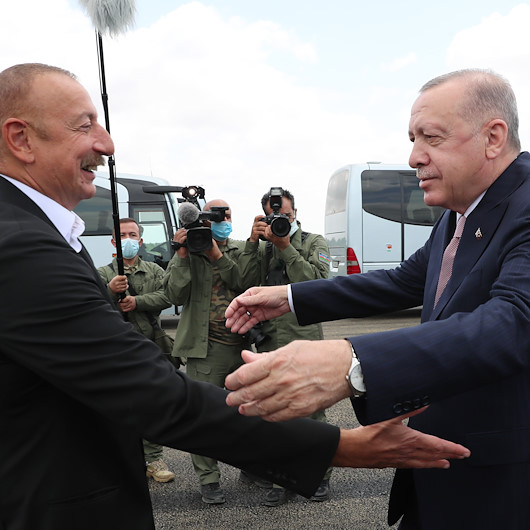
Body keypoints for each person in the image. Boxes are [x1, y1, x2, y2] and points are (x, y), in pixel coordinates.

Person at [0, 63, 470, 530]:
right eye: (86, 125)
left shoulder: (40, 231)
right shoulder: (20, 244)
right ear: (20, 139)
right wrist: (340, 445)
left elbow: (395, 283)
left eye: (431, 138)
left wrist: (289, 293)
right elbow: (156, 391)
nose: (106, 143)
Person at [224, 68, 530, 529]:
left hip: (501, 485)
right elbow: (406, 280)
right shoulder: (461, 211)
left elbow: (514, 322)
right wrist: (290, 296)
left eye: (431, 137)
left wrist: (351, 364)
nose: (413, 157)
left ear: (493, 137)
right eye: (412, 138)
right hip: (438, 466)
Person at [237, 188, 333, 506]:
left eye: (286, 216)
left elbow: (316, 285)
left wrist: (287, 247)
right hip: (269, 341)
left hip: (303, 336)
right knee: (275, 411)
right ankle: (282, 478)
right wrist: (253, 243)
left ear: (295, 214)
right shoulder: (262, 246)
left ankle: (318, 476)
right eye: (273, 217)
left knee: (313, 411)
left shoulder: (314, 242)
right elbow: (243, 282)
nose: (280, 221)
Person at [164, 199, 251, 503]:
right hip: (203, 348)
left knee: (247, 414)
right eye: (214, 215)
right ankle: (208, 479)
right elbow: (173, 294)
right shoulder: (190, 251)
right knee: (202, 416)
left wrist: (216, 254)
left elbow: (245, 283)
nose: (221, 219)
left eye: (226, 214)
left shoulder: (241, 250)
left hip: (240, 345)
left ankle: (251, 467)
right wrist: (182, 254)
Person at [98, 217, 175, 484]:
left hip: (150, 346)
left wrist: (136, 301)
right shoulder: (102, 274)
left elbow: (169, 296)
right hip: (116, 351)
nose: (128, 240)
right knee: (118, 405)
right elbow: (89, 304)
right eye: (122, 235)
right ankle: (123, 459)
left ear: (140, 241)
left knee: (151, 404)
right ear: (113, 241)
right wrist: (109, 292)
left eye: (133, 235)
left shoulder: (154, 269)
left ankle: (153, 459)